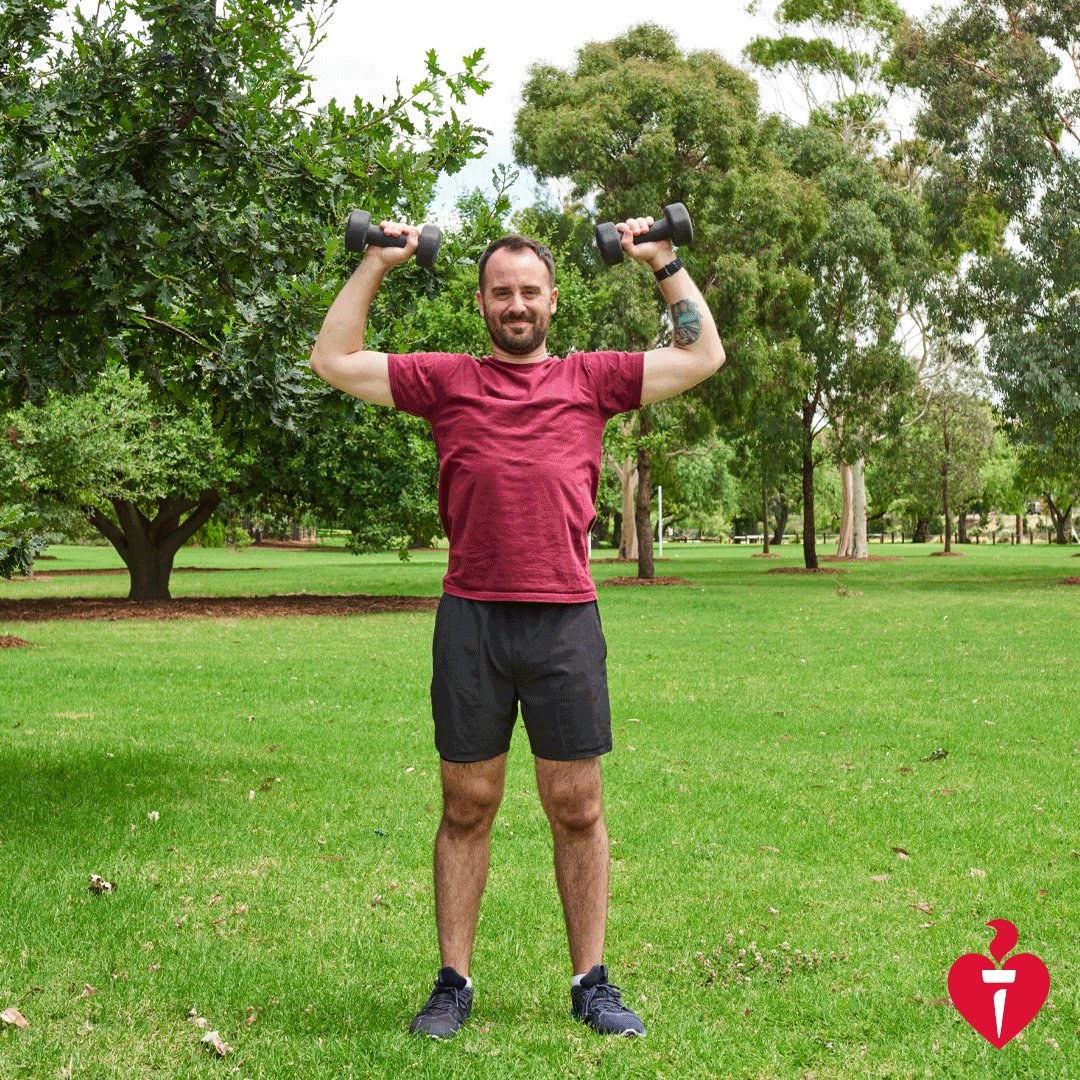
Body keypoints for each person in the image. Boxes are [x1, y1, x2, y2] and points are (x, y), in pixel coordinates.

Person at [309, 213, 724, 1039]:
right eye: (502, 292)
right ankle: (453, 982)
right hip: (473, 618)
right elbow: (334, 360)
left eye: (530, 291)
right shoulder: (446, 380)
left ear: (553, 302)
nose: (517, 303)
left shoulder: (593, 378)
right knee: (467, 803)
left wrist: (663, 260)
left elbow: (702, 353)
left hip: (565, 617)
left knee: (577, 804)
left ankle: (591, 981)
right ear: (482, 303)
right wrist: (378, 263)